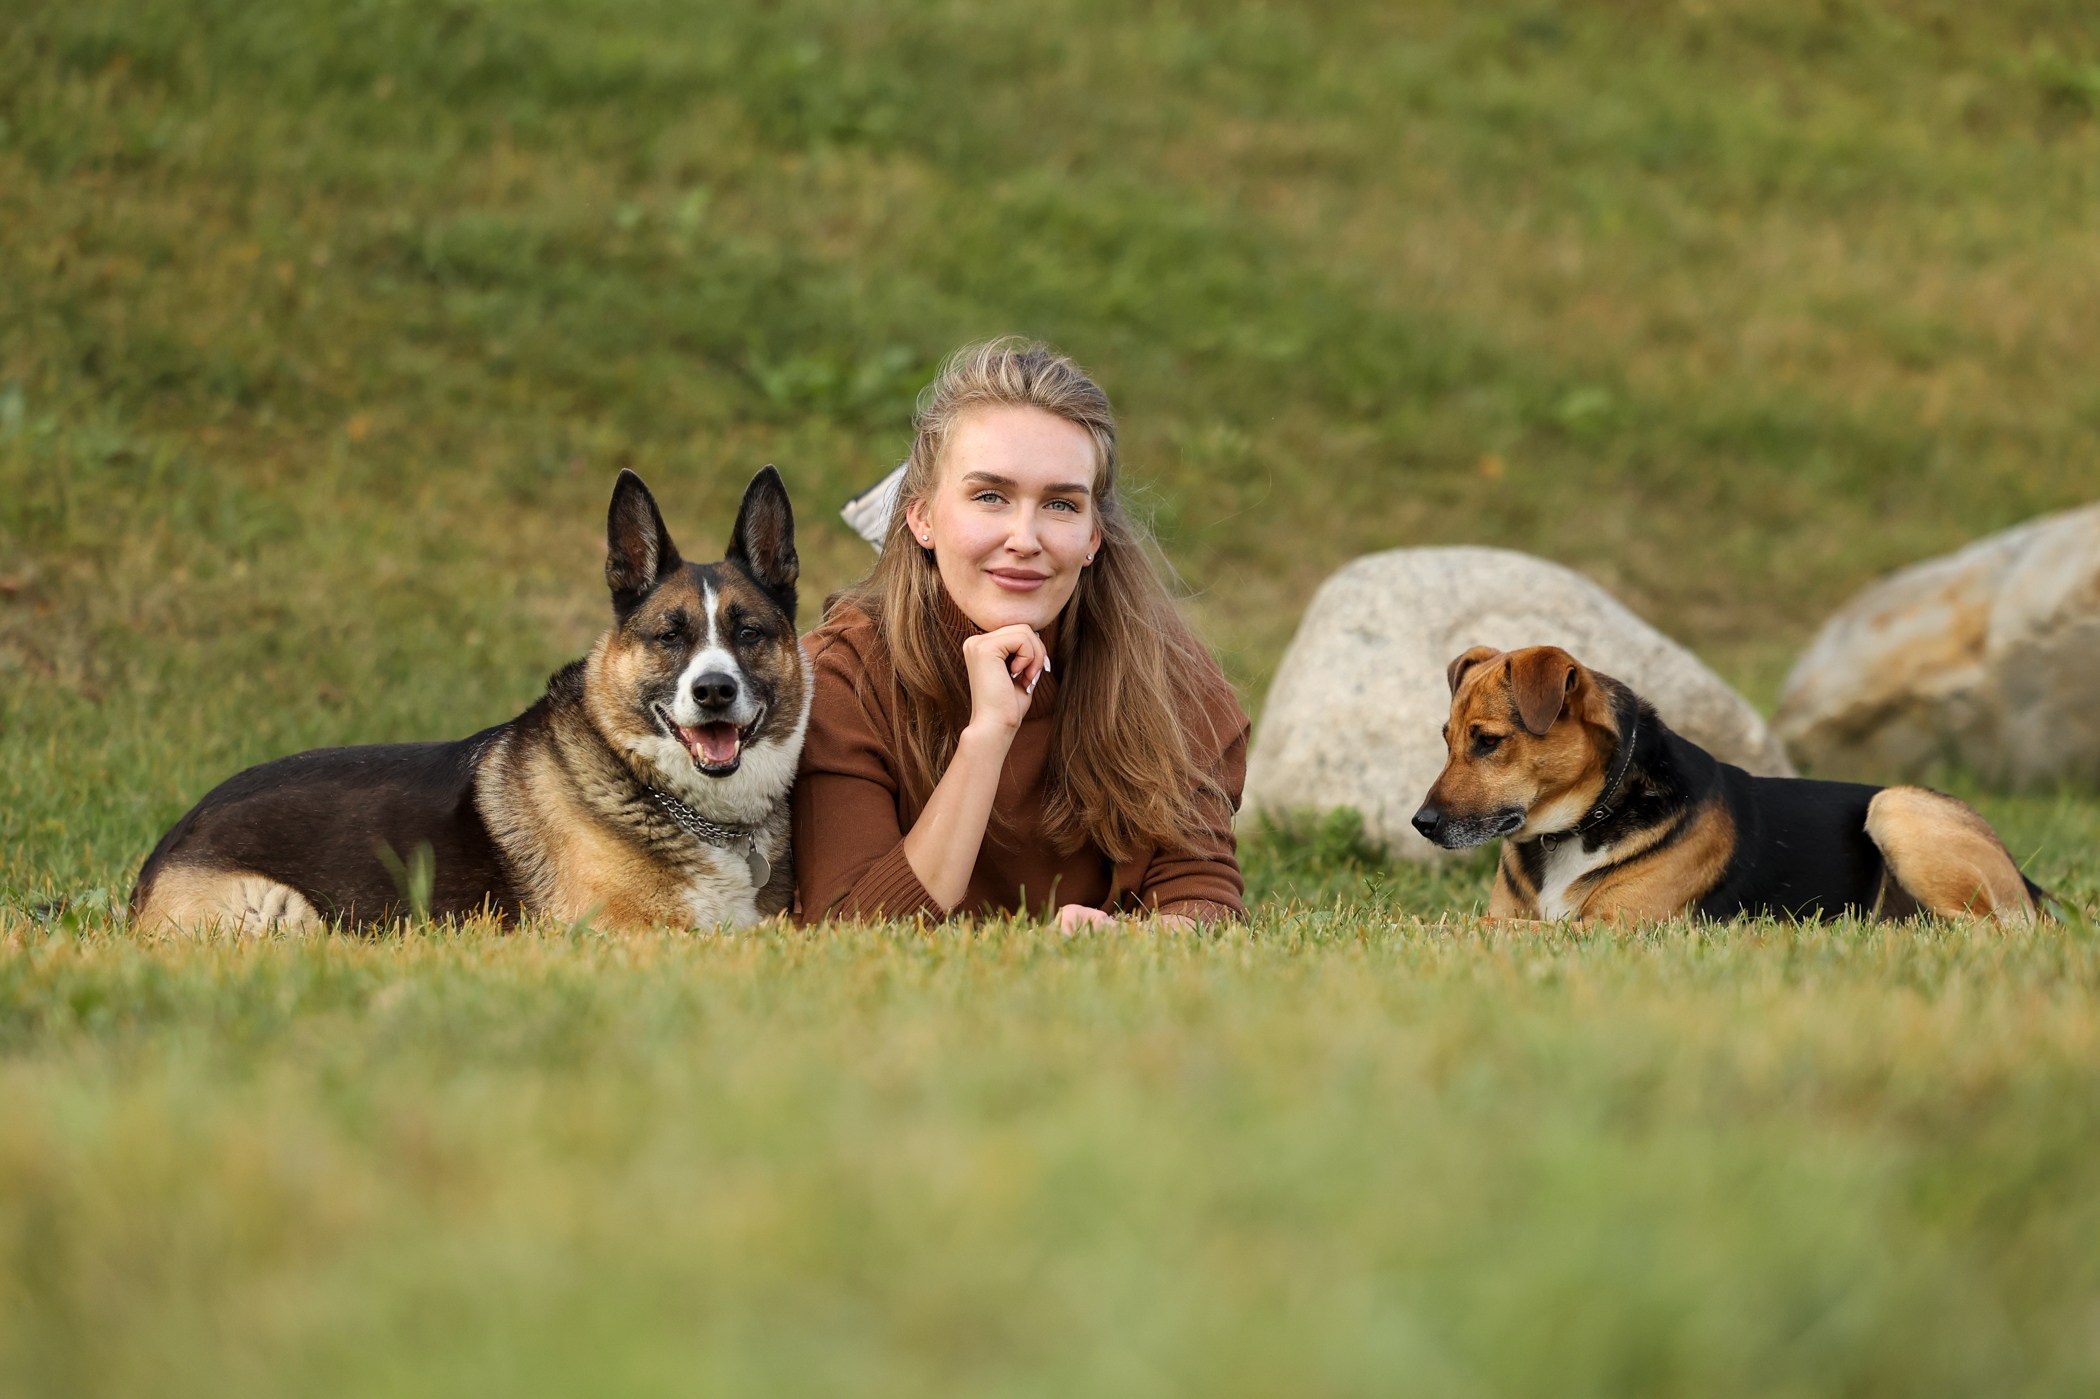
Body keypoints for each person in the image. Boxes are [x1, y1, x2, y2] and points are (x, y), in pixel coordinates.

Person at [794, 339, 1249, 931]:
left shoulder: (1166, 675)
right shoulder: (839, 677)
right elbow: (853, 931)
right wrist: (987, 736)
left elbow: (1204, 894)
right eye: (990, 496)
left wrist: (1134, 942)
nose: (1025, 537)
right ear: (922, 516)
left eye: (1061, 505)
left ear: (1092, 537)